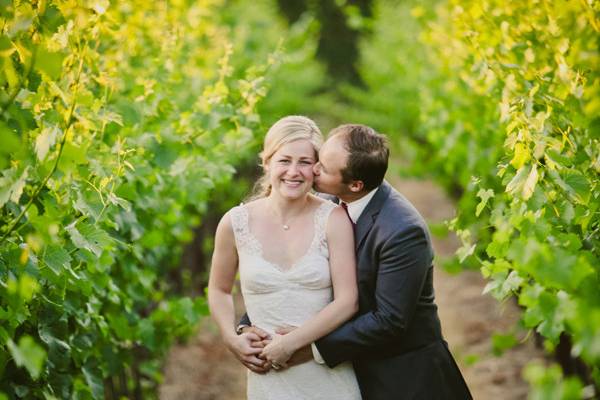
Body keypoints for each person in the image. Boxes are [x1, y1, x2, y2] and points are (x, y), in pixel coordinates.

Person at [238, 124, 472, 399]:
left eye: (322, 168)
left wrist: (308, 349)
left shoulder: (402, 231)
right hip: (343, 372)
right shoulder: (327, 201)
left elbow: (389, 320)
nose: (312, 170)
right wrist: (250, 323)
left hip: (401, 378)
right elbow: (292, 268)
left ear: (355, 184)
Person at [207, 116, 362, 399]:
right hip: (269, 378)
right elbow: (218, 289)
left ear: (316, 168)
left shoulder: (334, 219)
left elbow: (347, 301)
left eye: (304, 162)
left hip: (327, 376)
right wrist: (232, 338)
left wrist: (291, 343)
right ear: (267, 162)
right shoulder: (235, 222)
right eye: (284, 160)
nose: (294, 171)